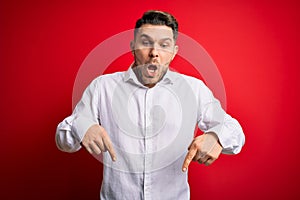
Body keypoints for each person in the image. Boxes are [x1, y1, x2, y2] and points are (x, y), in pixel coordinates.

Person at [56, 10, 245, 200]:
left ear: (174, 52)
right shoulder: (102, 87)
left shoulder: (193, 89)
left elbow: (235, 131)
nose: (154, 53)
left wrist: (217, 137)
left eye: (164, 45)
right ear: (132, 46)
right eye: (146, 43)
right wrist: (83, 126)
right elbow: (63, 141)